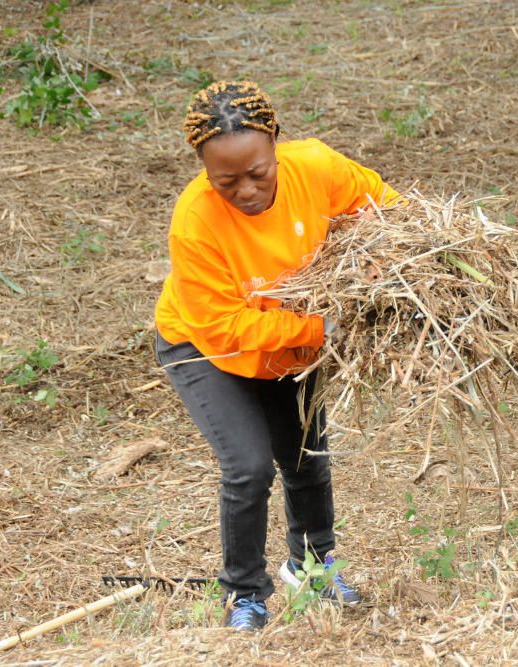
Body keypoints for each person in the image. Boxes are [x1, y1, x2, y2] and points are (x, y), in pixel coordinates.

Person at [154, 80, 399, 630]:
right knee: (247, 467)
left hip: (289, 336)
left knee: (306, 456)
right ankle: (244, 594)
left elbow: (385, 207)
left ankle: (313, 568)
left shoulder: (315, 167)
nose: (244, 190)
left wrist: (384, 264)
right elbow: (223, 325)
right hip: (206, 345)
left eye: (258, 173)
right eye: (226, 181)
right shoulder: (195, 221)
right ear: (202, 169)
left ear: (276, 144)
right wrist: (321, 326)